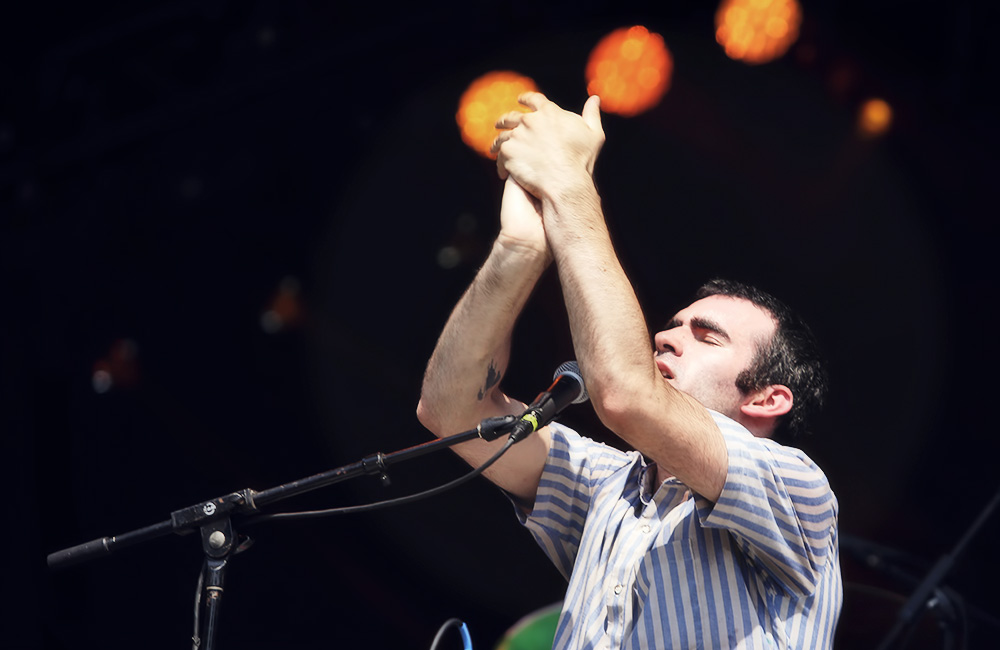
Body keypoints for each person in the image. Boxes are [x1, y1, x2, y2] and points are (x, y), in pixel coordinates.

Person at [416, 92, 842, 649]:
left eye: (706, 335)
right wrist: (520, 248)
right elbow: (450, 412)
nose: (665, 335)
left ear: (766, 398)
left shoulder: (797, 487)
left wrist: (569, 184)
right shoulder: (606, 485)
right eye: (673, 324)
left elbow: (624, 394)